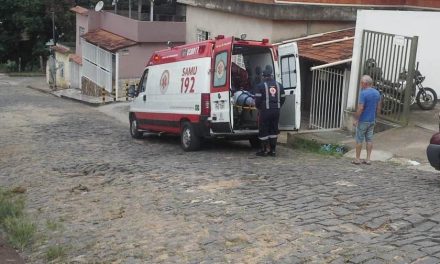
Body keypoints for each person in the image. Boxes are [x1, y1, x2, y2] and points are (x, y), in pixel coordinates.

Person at [254, 65, 286, 157]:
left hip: (265, 111)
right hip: (276, 111)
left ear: (263, 77)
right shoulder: (279, 85)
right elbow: (283, 98)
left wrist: (259, 107)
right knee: (273, 130)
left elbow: (257, 100)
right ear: (272, 76)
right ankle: (273, 151)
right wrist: (278, 106)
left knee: (263, 129)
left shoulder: (260, 86)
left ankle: (264, 151)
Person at [352, 75, 381, 165]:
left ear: (365, 83)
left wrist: (356, 119)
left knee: (359, 139)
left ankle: (357, 159)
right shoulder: (377, 93)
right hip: (372, 120)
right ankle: (368, 159)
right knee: (369, 139)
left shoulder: (363, 93)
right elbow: (379, 107)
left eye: (361, 82)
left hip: (363, 120)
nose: (360, 84)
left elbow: (360, 108)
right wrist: (376, 118)